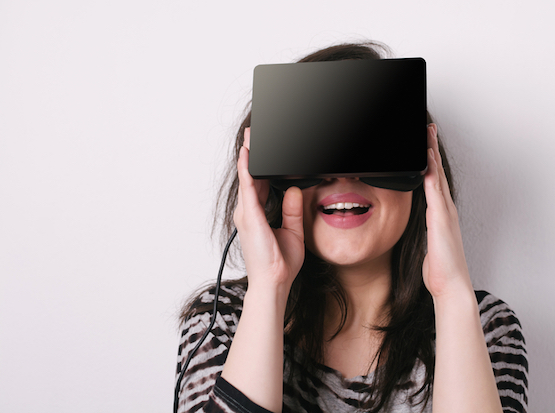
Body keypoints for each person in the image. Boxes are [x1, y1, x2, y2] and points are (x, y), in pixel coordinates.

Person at [176, 42, 528, 413]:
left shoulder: (486, 325)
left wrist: (452, 295)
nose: (344, 174)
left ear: (422, 172)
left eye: (370, 143)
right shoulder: (221, 321)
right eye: (320, 146)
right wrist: (269, 289)